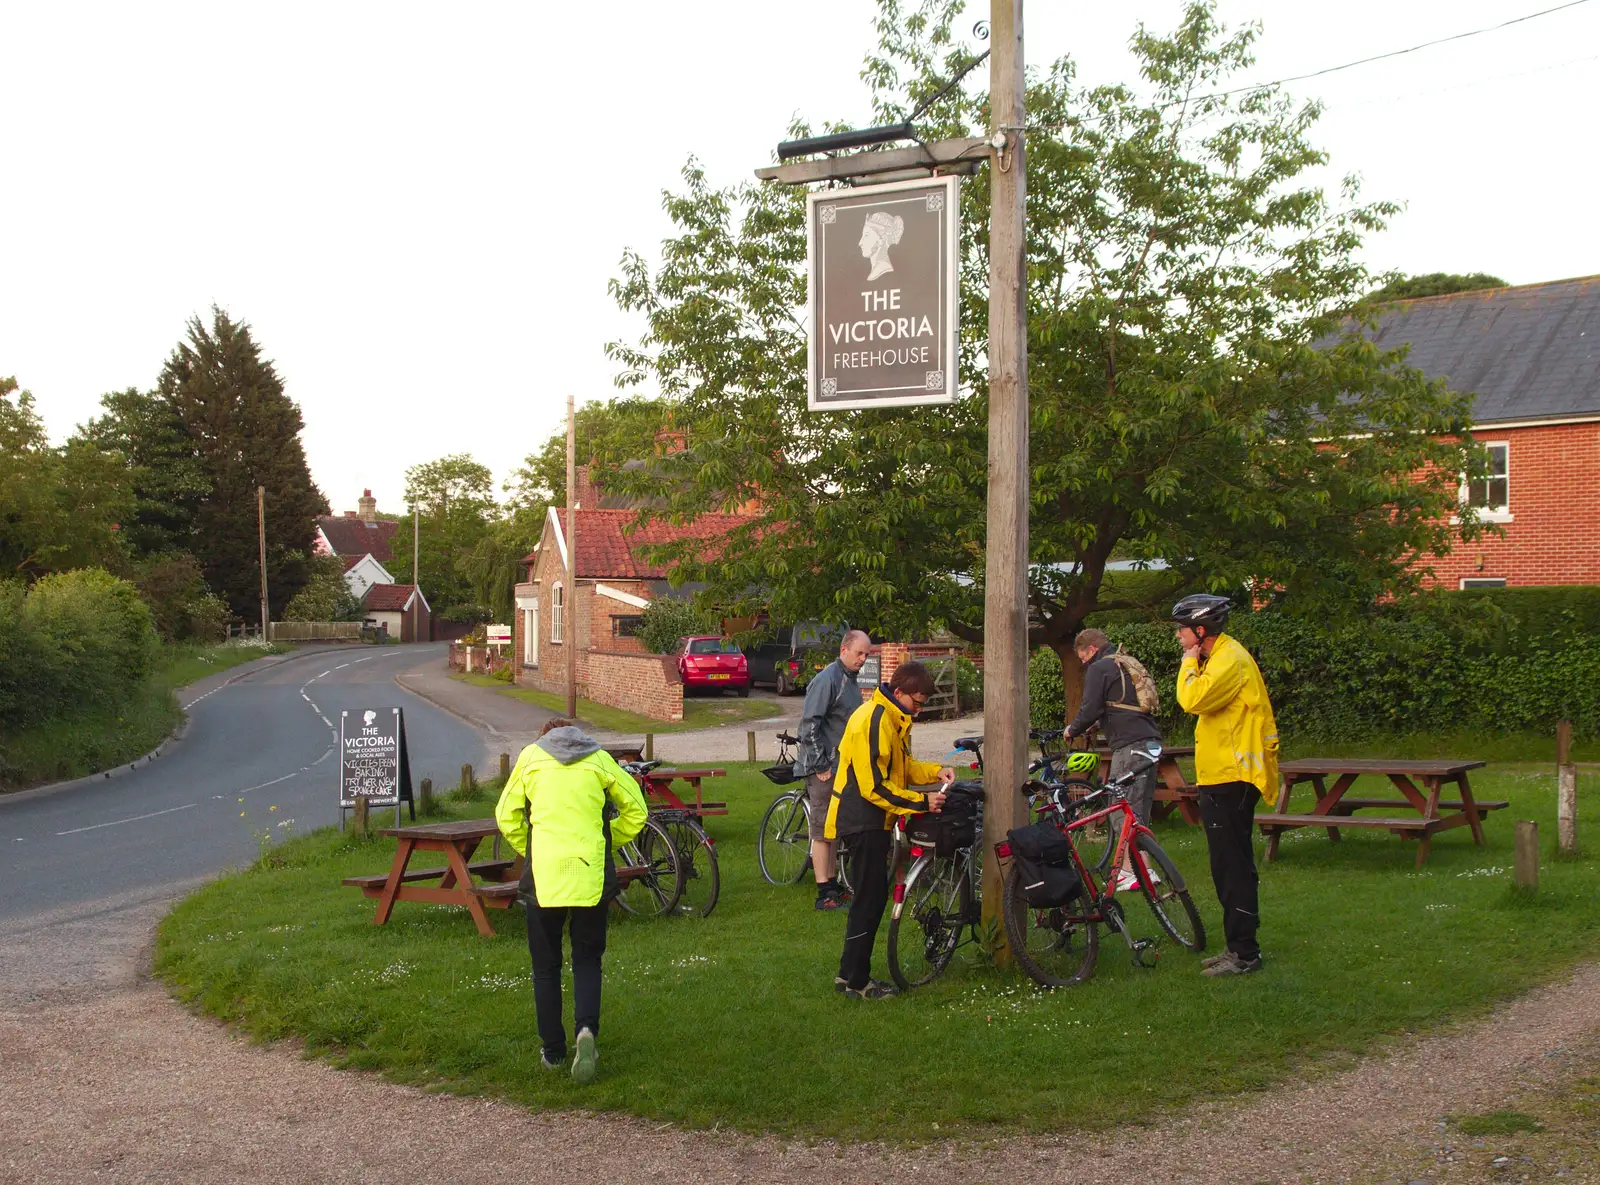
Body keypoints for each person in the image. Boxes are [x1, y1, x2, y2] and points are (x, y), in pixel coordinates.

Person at [494, 717, 648, 1081]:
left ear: (544, 736)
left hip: (545, 874)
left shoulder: (531, 758)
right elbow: (637, 810)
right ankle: (586, 1031)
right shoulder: (599, 759)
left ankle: (552, 1052)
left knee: (545, 966)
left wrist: (529, 847)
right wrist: (607, 841)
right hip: (589, 872)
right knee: (587, 959)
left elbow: (506, 816)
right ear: (578, 736)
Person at [824, 661, 955, 999]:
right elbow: (874, 787)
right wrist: (922, 803)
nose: (919, 710)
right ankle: (858, 982)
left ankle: (847, 975)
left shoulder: (893, 717)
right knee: (869, 901)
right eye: (917, 702)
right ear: (899, 692)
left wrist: (936, 771)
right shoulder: (874, 719)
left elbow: (902, 767)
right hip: (862, 818)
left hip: (872, 818)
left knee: (870, 898)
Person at [1171, 594, 1279, 977]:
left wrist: (1187, 664)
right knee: (1229, 865)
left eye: (1183, 631)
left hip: (1231, 778)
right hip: (1223, 775)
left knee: (1231, 867)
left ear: (1201, 631)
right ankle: (1239, 946)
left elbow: (1192, 698)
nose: (1180, 638)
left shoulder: (1229, 661)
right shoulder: (1220, 657)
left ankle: (1244, 954)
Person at [1062, 627, 1164, 892]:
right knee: (1137, 810)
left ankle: (1131, 873)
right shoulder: (1119, 663)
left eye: (1083, 657)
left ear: (1091, 650)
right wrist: (1098, 724)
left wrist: (1072, 729)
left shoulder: (1099, 668)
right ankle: (1145, 870)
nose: (1084, 664)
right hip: (1150, 742)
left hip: (1131, 746)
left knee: (1121, 808)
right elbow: (1116, 705)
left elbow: (1090, 707)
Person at [793, 629, 874, 910]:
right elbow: (809, 725)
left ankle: (832, 883)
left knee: (833, 827)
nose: (863, 659)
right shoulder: (828, 679)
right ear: (844, 650)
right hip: (824, 768)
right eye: (859, 653)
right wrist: (820, 765)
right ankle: (823, 893)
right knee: (821, 829)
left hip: (842, 767)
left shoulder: (849, 680)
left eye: (866, 654)